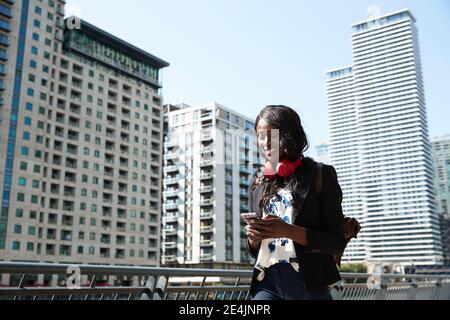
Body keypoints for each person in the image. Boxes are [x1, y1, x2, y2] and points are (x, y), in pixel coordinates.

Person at [245, 105, 347, 300]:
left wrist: (287, 230)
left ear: (289, 135)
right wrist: (253, 237)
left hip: (309, 285)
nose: (265, 143)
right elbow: (252, 250)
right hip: (266, 282)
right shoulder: (257, 182)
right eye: (260, 136)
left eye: (271, 135)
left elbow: (336, 243)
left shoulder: (321, 174)